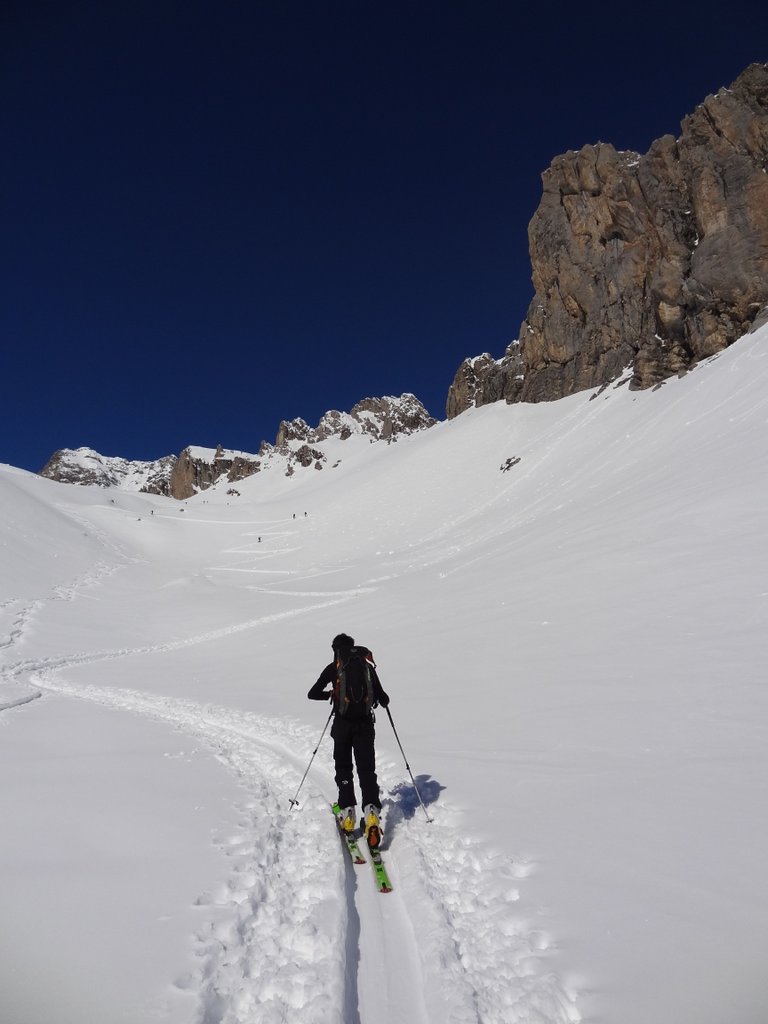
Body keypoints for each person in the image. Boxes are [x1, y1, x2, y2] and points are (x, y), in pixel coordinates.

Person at [307, 633, 389, 847]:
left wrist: (331, 695)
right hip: (365, 725)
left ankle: (348, 813)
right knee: (367, 770)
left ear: (336, 649)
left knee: (343, 768)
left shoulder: (334, 667)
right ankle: (371, 814)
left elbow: (312, 694)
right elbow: (383, 697)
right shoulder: (366, 666)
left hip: (342, 726)